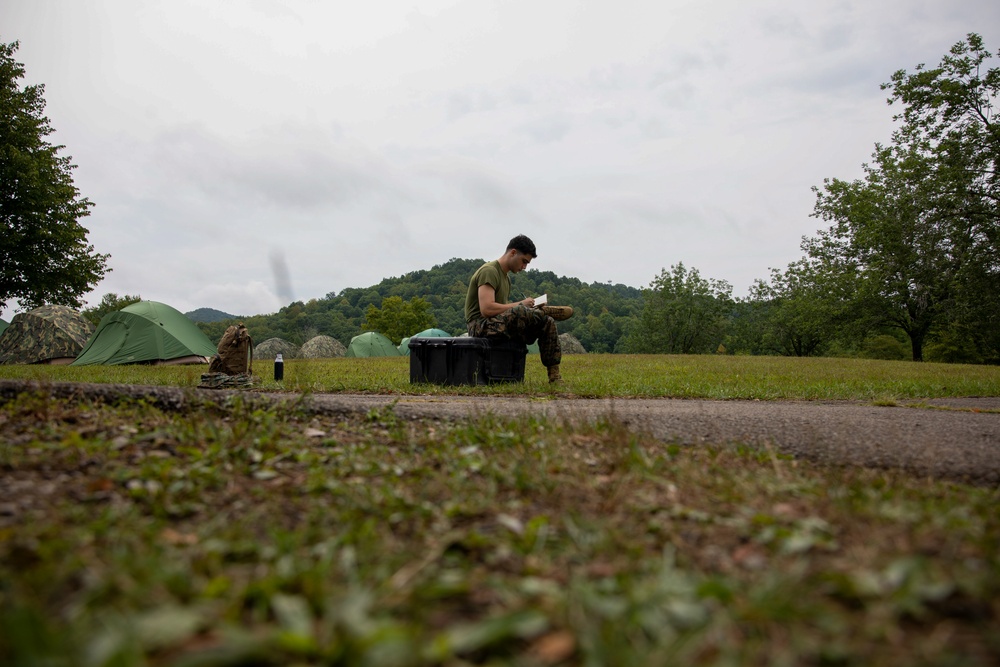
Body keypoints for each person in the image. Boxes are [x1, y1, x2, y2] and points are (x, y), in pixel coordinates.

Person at [464, 234, 573, 383]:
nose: (524, 267)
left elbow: (503, 312)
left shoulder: (506, 278)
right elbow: (487, 309)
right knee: (520, 311)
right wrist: (521, 304)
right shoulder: (489, 271)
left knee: (547, 322)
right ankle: (537, 312)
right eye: (524, 262)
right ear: (513, 252)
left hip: (497, 324)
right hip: (479, 326)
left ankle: (554, 376)